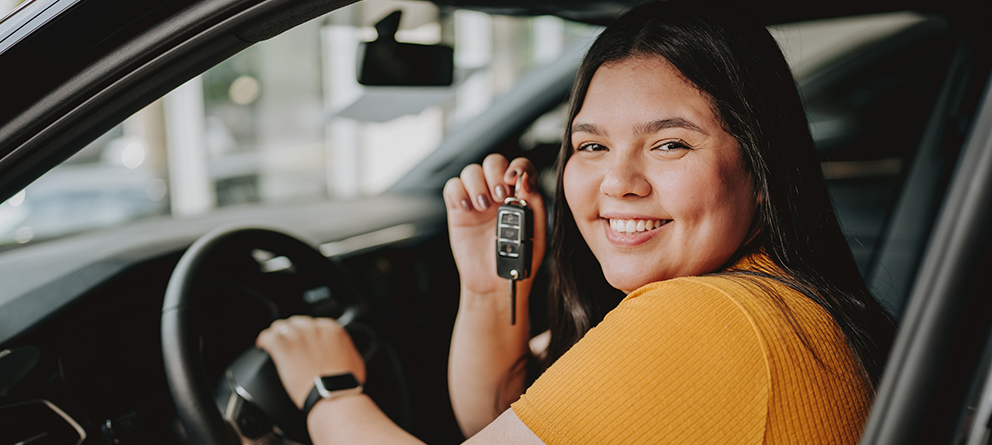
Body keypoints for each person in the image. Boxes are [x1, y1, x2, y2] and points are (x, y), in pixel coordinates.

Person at [255, 0, 896, 443]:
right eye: (591, 147)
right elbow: (503, 424)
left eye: (670, 144)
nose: (618, 183)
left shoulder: (712, 317)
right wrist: (488, 289)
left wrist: (328, 391)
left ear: (760, 170)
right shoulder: (772, 299)